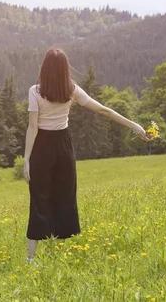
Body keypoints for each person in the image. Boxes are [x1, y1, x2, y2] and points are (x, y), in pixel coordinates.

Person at [23, 48, 150, 262]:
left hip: (41, 148)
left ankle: (31, 259)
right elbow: (104, 110)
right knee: (64, 197)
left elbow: (32, 127)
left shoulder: (34, 91)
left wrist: (26, 159)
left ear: (44, 69)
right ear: (65, 70)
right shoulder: (71, 90)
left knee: (39, 199)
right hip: (64, 146)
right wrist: (133, 125)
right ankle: (58, 253)